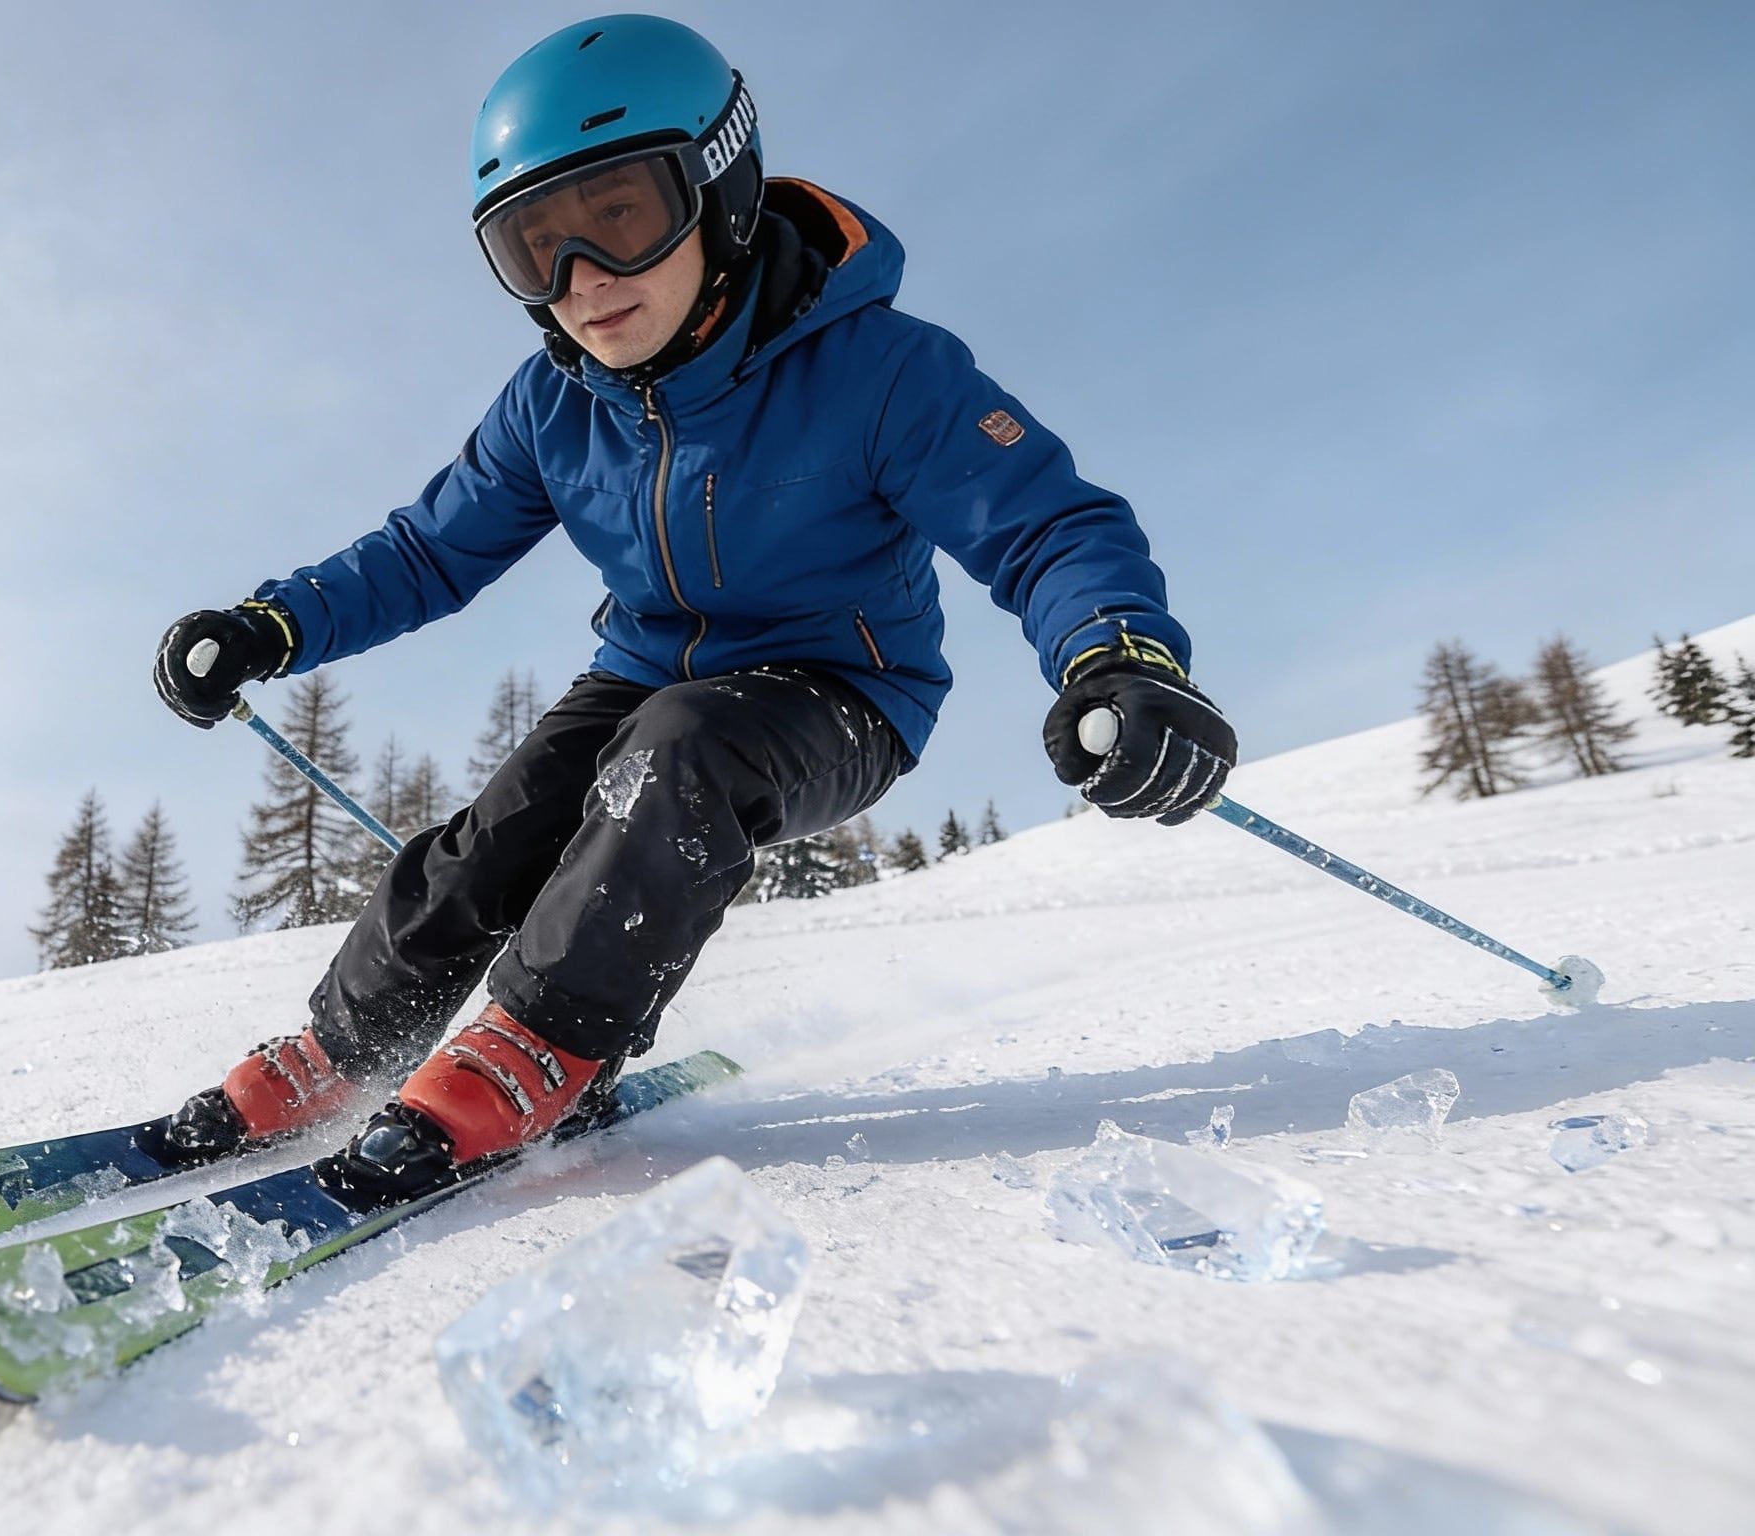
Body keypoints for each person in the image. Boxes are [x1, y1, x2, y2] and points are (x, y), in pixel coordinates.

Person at [148, 14, 1236, 1203]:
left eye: (621, 217)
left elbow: (1045, 522)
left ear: (720, 191)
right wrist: (275, 623)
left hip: (840, 691)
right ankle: (342, 1051)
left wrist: (1119, 658)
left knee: (680, 755)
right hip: (646, 673)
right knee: (499, 832)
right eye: (533, 251)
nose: (583, 286)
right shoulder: (554, 405)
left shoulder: (883, 370)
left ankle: (541, 1046)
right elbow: (428, 550)